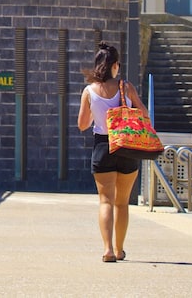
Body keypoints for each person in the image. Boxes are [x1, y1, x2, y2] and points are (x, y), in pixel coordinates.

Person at [76, 41, 148, 263]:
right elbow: (144, 115)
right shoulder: (125, 87)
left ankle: (107, 249)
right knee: (122, 202)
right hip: (126, 146)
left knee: (106, 201)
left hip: (102, 146)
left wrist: (98, 115)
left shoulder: (89, 91)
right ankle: (119, 249)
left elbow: (82, 125)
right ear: (115, 65)